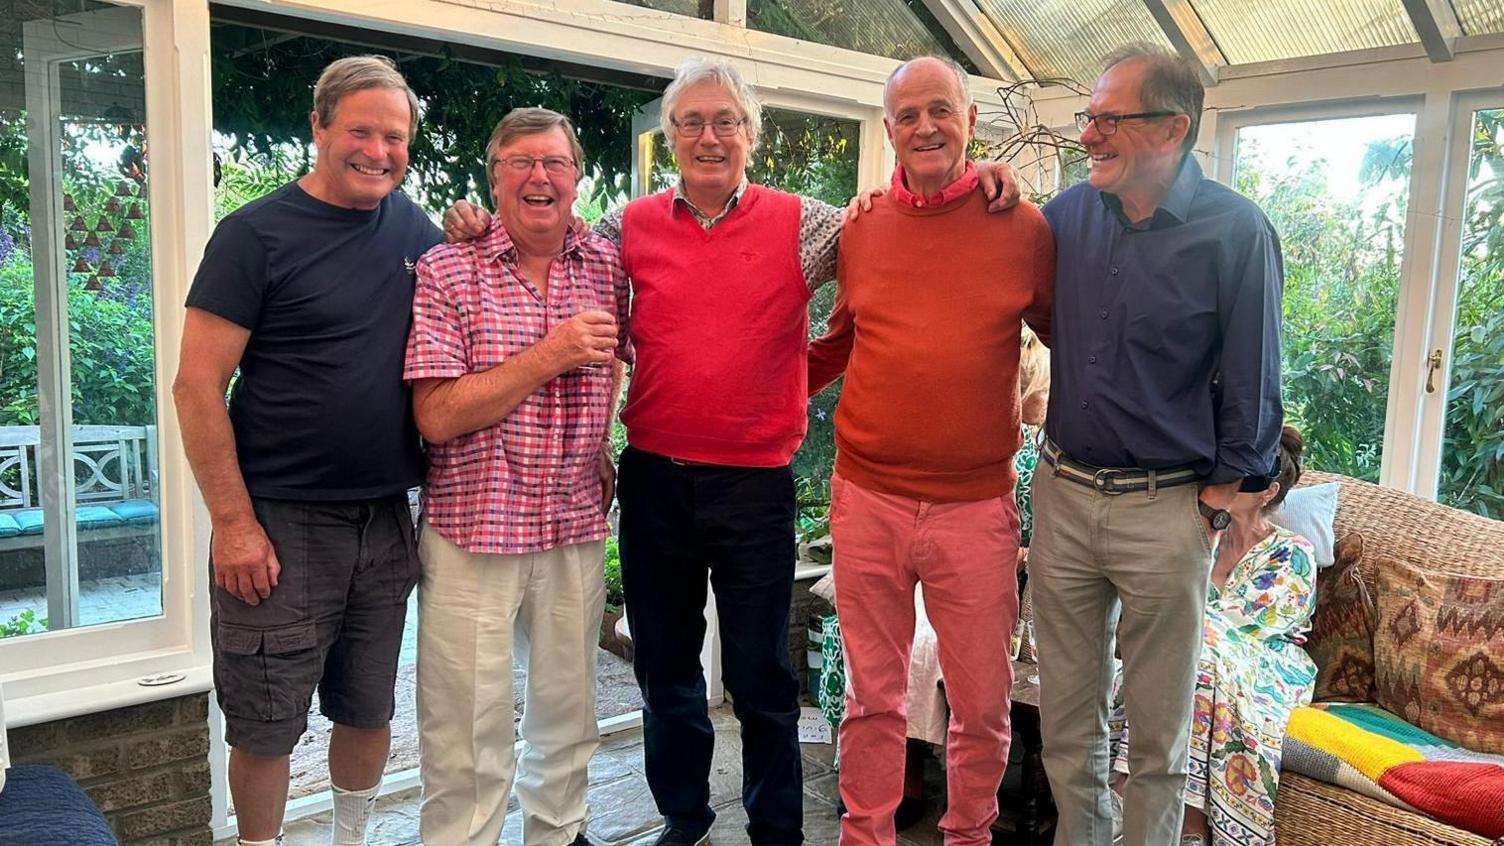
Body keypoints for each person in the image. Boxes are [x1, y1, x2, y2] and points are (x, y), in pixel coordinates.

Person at [439, 57, 1022, 846]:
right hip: (655, 482)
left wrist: (984, 175)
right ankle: (685, 818)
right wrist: (474, 223)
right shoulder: (626, 230)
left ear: (752, 134)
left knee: (760, 677)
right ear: (670, 139)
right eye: (690, 123)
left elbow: (900, 236)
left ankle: (776, 829)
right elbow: (550, 238)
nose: (708, 137)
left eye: (725, 122)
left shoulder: (811, 223)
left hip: (755, 487)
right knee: (667, 671)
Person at [173, 55, 440, 846]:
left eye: (394, 138)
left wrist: (472, 226)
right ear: (319, 126)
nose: (378, 151)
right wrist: (233, 522)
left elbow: (479, 280)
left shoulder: (411, 227)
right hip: (280, 526)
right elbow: (196, 387)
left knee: (368, 706)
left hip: (386, 521)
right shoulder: (254, 235)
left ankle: (349, 838)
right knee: (265, 722)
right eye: (361, 130)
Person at [1031, 43, 1285, 846]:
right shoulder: (1065, 216)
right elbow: (1007, 285)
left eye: (1109, 118)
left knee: (1158, 745)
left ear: (1174, 127)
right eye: (1089, 117)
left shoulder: (1237, 232)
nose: (1089, 135)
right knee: (1067, 731)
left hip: (1166, 510)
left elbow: (1256, 384)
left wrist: (1215, 505)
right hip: (1062, 498)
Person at [806, 56, 1055, 846]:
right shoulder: (863, 226)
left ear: (971, 121)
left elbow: (1071, 346)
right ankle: (864, 834)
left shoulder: (1023, 228)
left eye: (940, 110)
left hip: (975, 507)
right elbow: (835, 346)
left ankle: (969, 835)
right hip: (867, 497)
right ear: (887, 133)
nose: (925, 127)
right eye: (907, 115)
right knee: (871, 697)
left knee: (981, 703)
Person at [403, 107, 628, 846]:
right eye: (521, 162)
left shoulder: (608, 264)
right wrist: (550, 354)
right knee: (466, 731)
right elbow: (435, 414)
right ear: (494, 178)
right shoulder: (447, 266)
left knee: (569, 718)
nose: (540, 177)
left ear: (577, 177)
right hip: (476, 531)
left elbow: (625, 356)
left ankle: (559, 838)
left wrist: (600, 440)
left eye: (555, 163)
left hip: (573, 526)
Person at [1107, 426, 1316, 846]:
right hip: (1200, 651)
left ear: (1267, 492)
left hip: (1267, 667)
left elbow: (1252, 626)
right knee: (1188, 653)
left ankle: (1132, 795)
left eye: (1239, 477)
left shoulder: (1293, 551)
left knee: (1194, 653)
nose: (1224, 483)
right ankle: (1181, 826)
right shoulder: (1202, 536)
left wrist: (1176, 622)